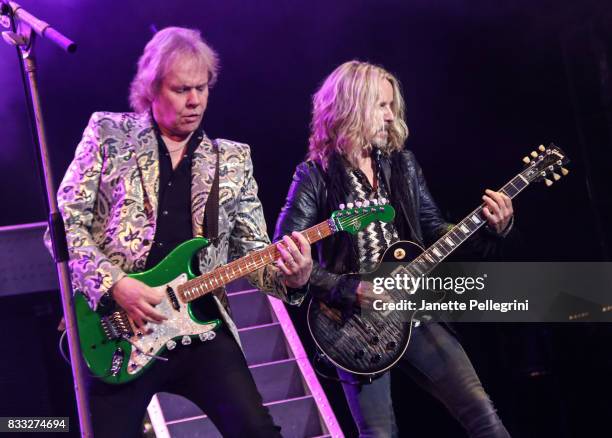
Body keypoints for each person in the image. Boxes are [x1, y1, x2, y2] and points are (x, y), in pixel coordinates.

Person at [46, 27, 312, 437]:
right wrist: (117, 285)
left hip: (201, 326)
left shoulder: (233, 160)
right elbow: (64, 230)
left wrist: (292, 276)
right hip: (119, 328)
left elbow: (254, 251)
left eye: (202, 89)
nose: (194, 101)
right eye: (181, 89)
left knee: (259, 432)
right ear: (152, 89)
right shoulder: (108, 135)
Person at [274, 60, 513, 437]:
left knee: (484, 416)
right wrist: (350, 289)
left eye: (391, 106)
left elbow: (435, 230)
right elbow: (285, 255)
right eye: (381, 106)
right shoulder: (315, 175)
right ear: (351, 107)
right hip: (351, 327)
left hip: (414, 310)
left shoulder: (402, 164)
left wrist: (490, 228)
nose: (390, 116)